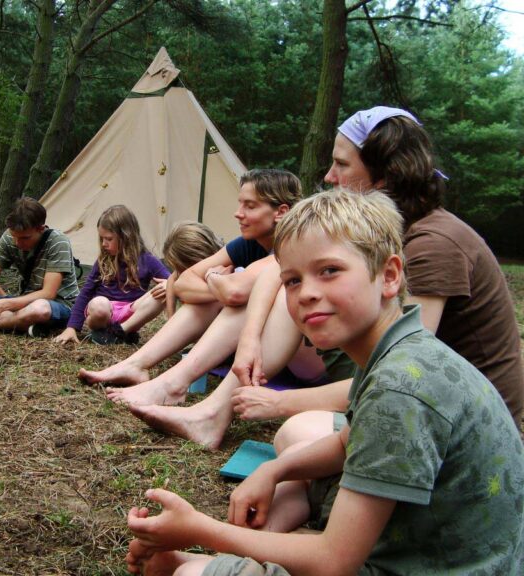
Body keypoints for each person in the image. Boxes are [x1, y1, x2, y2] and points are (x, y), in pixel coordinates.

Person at [124, 189, 524, 576]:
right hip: (440, 543)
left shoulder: (400, 389)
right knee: (298, 479)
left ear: (388, 275)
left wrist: (201, 530)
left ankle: (195, 564)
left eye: (329, 271)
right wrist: (273, 471)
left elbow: (333, 563)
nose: (307, 294)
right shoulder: (399, 351)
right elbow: (343, 443)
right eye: (293, 280)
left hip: (436, 562)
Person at [132, 105, 524, 450]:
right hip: (413, 393)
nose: (330, 176)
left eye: (342, 164)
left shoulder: (433, 244)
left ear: (385, 175)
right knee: (303, 291)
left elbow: (402, 374)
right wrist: (249, 340)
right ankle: (207, 412)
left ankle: (209, 412)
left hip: (463, 424)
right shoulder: (385, 234)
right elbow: (275, 274)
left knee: (298, 434)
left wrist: (280, 403)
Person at [78, 169, 302, 407]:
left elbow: (235, 293)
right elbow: (184, 282)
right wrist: (219, 287)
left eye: (250, 206)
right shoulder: (247, 244)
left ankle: (173, 384)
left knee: (237, 296)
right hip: (263, 353)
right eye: (240, 204)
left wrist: (213, 277)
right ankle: (136, 365)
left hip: (303, 360)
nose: (238, 214)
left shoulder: (292, 245)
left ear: (281, 212)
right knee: (215, 297)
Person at [0, 197, 79, 335]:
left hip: (58, 304)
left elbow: (48, 293)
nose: (17, 243)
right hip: (24, 303)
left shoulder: (58, 242)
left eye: (25, 238)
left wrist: (2, 305)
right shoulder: (8, 237)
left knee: (40, 309)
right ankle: (20, 324)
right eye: (14, 236)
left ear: (40, 229)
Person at [54, 205, 170, 345]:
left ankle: (120, 332)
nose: (103, 244)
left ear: (126, 237)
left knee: (164, 291)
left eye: (109, 239)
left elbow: (172, 281)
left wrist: (167, 284)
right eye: (101, 239)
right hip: (102, 312)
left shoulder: (147, 260)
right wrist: (72, 327)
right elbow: (86, 293)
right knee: (100, 305)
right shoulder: (103, 261)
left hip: (130, 312)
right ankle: (106, 332)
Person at [160, 221, 224, 319]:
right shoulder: (186, 271)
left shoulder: (223, 267)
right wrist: (171, 317)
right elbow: (171, 279)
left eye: (181, 269)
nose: (179, 273)